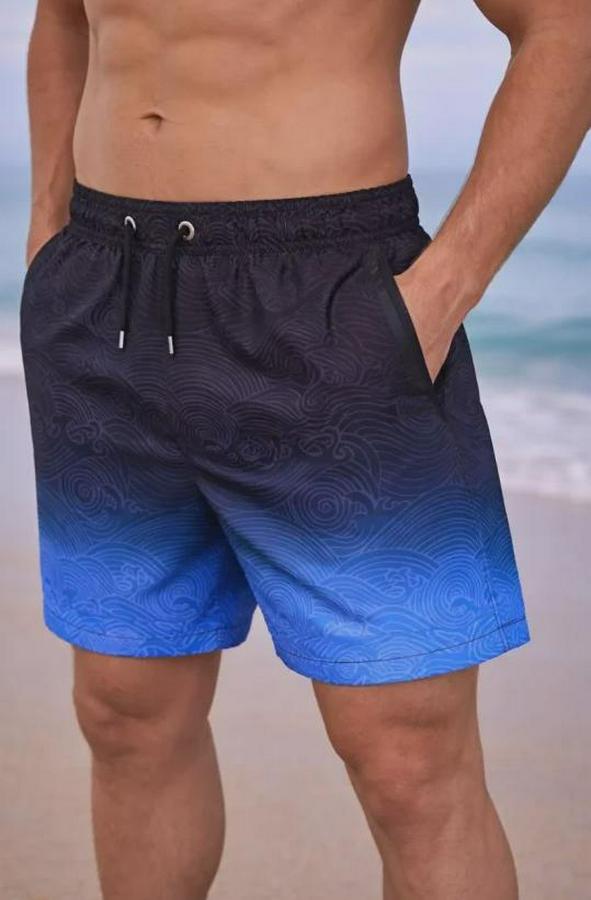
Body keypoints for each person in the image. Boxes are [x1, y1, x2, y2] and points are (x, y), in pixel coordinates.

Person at [20, 0, 590, 897]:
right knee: (126, 712)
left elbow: (566, 27)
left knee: (406, 756)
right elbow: (63, 20)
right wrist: (47, 225)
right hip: (103, 296)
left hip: (326, 298)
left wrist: (442, 290)